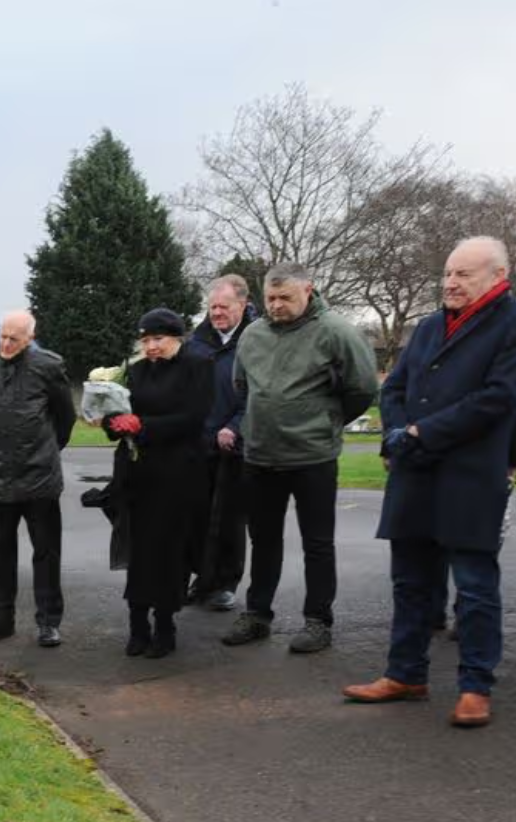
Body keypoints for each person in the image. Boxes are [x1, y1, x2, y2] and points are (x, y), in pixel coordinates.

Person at [342, 237, 516, 727]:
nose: (450, 282)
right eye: (448, 273)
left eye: (463, 275)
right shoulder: (430, 325)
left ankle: (475, 687)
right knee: (410, 582)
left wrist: (421, 433)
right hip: (415, 469)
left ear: (497, 277)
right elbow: (395, 388)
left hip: (471, 471)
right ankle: (405, 674)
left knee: (474, 586)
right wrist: (395, 437)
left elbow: (501, 397)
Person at [220, 262, 378, 654]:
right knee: (264, 540)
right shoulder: (253, 334)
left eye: (285, 297)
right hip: (260, 454)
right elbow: (241, 385)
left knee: (317, 543)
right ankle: (257, 615)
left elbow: (362, 388)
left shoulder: (336, 332)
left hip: (313, 456)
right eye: (270, 298)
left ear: (309, 290)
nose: (276, 305)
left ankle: (318, 621)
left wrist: (326, 420)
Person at [105, 309, 214, 658]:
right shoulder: (136, 371)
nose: (151, 346)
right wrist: (113, 423)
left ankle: (165, 625)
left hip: (178, 473)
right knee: (138, 551)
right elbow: (117, 409)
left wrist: (144, 426)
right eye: (145, 340)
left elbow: (194, 417)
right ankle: (138, 625)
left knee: (167, 552)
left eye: (158, 339)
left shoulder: (197, 365)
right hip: (137, 473)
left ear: (176, 338)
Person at [0, 309, 74, 647]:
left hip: (40, 478)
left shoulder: (49, 366)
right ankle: (0, 620)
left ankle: (48, 622)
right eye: (2, 336)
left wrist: (45, 449)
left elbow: (65, 418)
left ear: (30, 338)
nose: (6, 344)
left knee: (46, 553)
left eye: (14, 338)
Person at [184, 274, 259, 611]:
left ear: (242, 304)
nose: (216, 313)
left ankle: (226, 583)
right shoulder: (196, 342)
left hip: (236, 446)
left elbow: (260, 393)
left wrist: (235, 426)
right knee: (198, 516)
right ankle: (203, 580)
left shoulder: (258, 339)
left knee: (230, 519)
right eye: (212, 306)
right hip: (200, 445)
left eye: (223, 306)